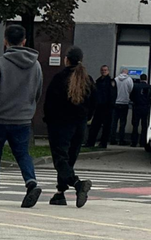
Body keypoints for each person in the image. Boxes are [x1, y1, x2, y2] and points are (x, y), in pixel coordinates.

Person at [0, 25, 43, 208]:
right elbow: (37, 92)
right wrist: (29, 110)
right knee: (23, 154)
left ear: (5, 41)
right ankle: (31, 182)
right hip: (22, 119)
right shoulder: (35, 65)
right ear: (24, 41)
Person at [43, 46, 95, 208]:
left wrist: (48, 120)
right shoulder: (88, 80)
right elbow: (94, 102)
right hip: (80, 125)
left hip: (61, 124)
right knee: (69, 159)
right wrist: (87, 118)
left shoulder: (60, 78)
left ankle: (77, 184)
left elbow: (50, 102)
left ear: (66, 59)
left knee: (60, 159)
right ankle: (60, 192)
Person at [86, 65, 117, 148]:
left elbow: (113, 95)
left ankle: (103, 143)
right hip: (99, 107)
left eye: (105, 70)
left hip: (107, 107)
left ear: (108, 71)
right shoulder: (99, 81)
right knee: (94, 126)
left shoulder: (111, 81)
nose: (104, 71)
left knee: (106, 127)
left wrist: (110, 106)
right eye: (102, 70)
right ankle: (90, 142)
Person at [129, 74, 151, 147]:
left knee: (135, 125)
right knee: (144, 125)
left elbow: (131, 97)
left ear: (140, 78)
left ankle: (134, 142)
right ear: (146, 79)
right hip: (145, 107)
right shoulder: (150, 87)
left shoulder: (135, 86)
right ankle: (143, 142)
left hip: (136, 107)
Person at [110, 68, 133, 145]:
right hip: (124, 103)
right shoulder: (129, 80)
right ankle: (121, 140)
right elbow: (131, 89)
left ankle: (112, 139)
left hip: (116, 102)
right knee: (122, 123)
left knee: (114, 123)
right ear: (127, 73)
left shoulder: (116, 79)